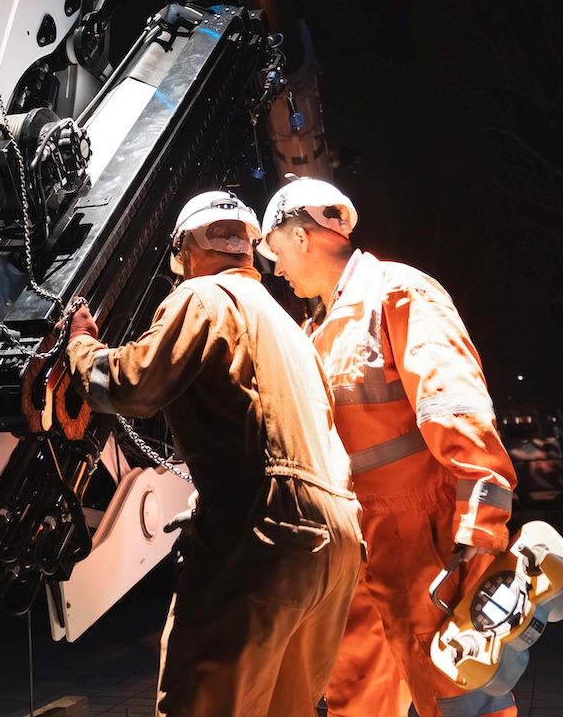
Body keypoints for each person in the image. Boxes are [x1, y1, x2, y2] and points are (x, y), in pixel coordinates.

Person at [66, 190, 363, 717]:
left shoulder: (204, 297)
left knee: (200, 703)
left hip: (265, 539)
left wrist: (83, 349)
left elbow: (132, 384)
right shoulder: (293, 332)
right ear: (249, 248)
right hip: (336, 549)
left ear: (187, 250)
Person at [260, 177, 519, 717]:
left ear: (301, 235)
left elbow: (454, 405)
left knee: (458, 698)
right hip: (356, 543)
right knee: (356, 700)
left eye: (275, 248)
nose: (275, 267)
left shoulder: (399, 292)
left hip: (425, 540)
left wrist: (480, 529)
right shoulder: (320, 329)